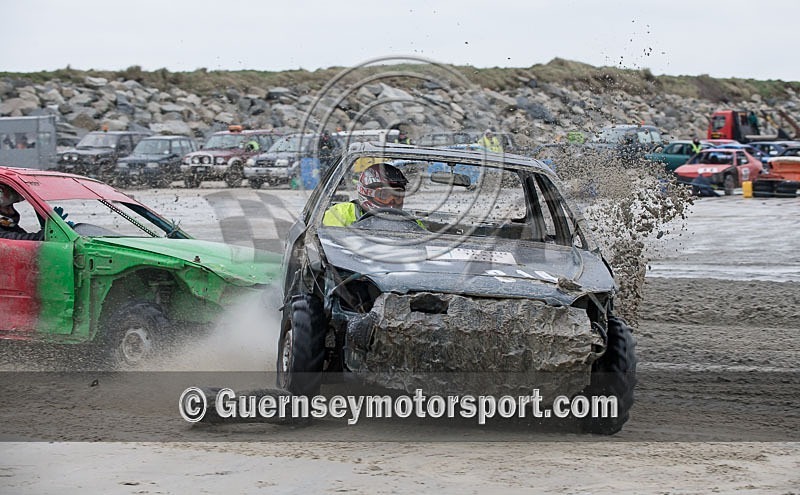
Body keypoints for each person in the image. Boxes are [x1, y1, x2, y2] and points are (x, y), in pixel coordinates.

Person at [322, 163, 409, 227]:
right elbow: (333, 246)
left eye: (398, 195)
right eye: (384, 195)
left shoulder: (410, 222)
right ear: (366, 193)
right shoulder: (340, 214)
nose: (392, 201)